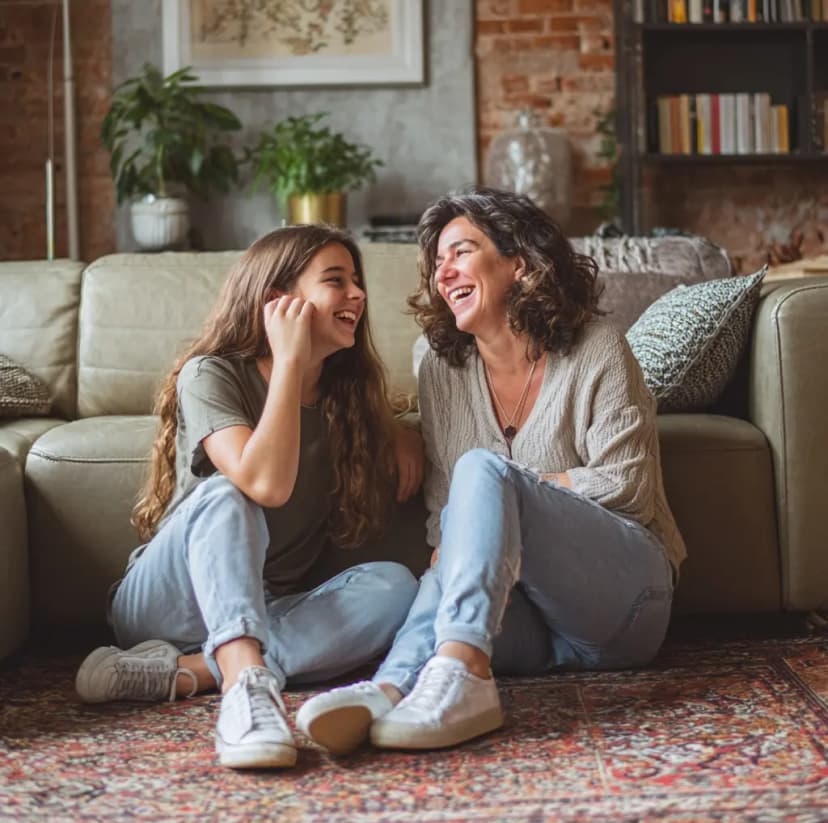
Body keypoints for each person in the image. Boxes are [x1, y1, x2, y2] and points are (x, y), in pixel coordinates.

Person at [295, 187, 685, 754]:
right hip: (521, 619)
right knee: (449, 567)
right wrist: (478, 521)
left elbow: (628, 487)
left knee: (483, 475)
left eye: (460, 252)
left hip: (624, 605)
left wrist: (507, 503)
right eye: (437, 263)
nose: (442, 272)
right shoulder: (441, 370)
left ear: (519, 265)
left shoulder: (598, 348)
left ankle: (462, 676)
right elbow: (442, 531)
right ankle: (389, 687)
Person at [75, 225, 424, 770]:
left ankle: (189, 671)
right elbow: (265, 483)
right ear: (277, 303)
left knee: (396, 587)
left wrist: (403, 431)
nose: (357, 294)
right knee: (229, 497)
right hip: (168, 600)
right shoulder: (210, 374)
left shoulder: (349, 400)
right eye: (337, 280)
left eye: (356, 281)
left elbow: (390, 414)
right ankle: (242, 688)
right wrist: (288, 361)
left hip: (266, 610)